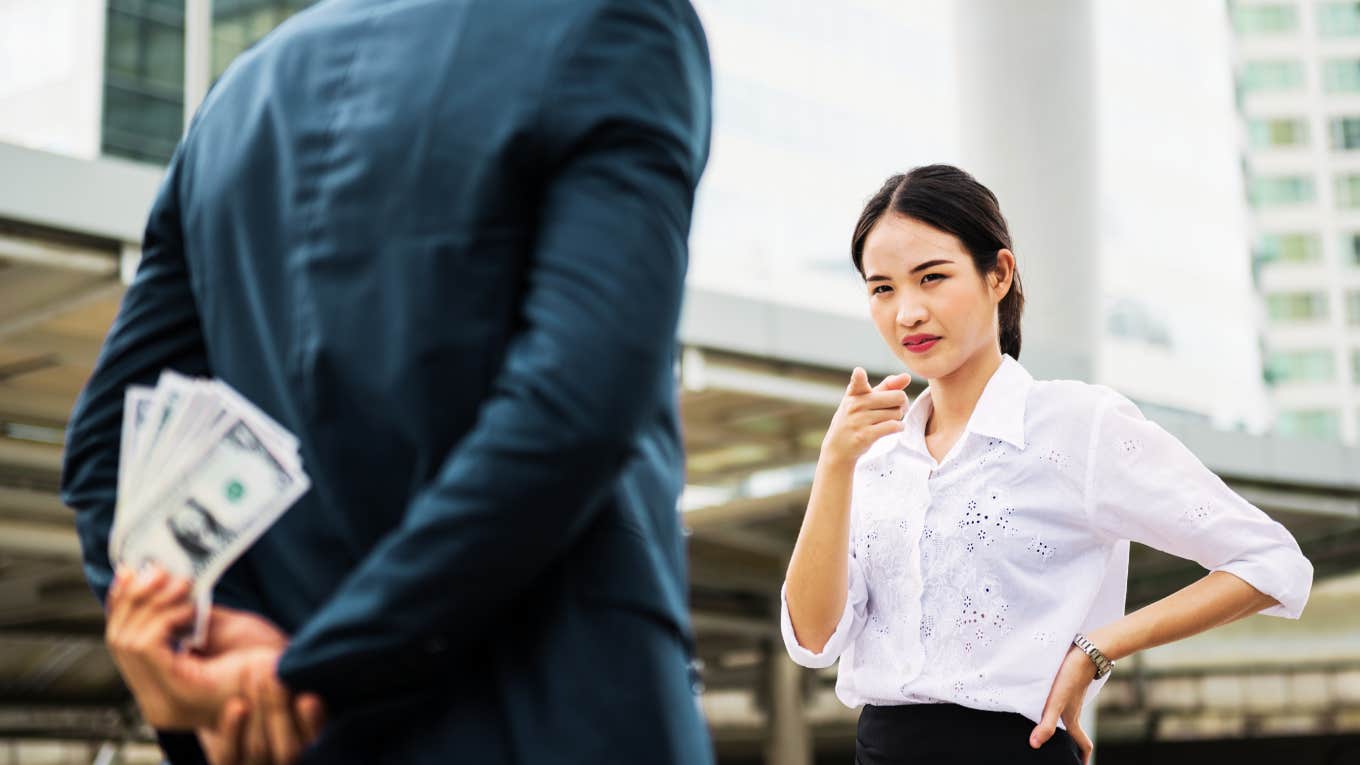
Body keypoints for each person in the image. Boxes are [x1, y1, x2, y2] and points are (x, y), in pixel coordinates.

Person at [60, 0, 714, 762]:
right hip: (556, 717)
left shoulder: (240, 95)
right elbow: (573, 409)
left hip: (291, 744)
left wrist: (199, 651)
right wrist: (314, 672)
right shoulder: (618, 21)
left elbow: (108, 447)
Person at [781, 165, 1314, 765]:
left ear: (998, 275)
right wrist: (834, 465)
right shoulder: (873, 451)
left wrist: (1100, 646)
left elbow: (1272, 563)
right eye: (882, 289)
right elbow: (814, 640)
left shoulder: (1076, 425)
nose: (907, 312)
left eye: (932, 278)